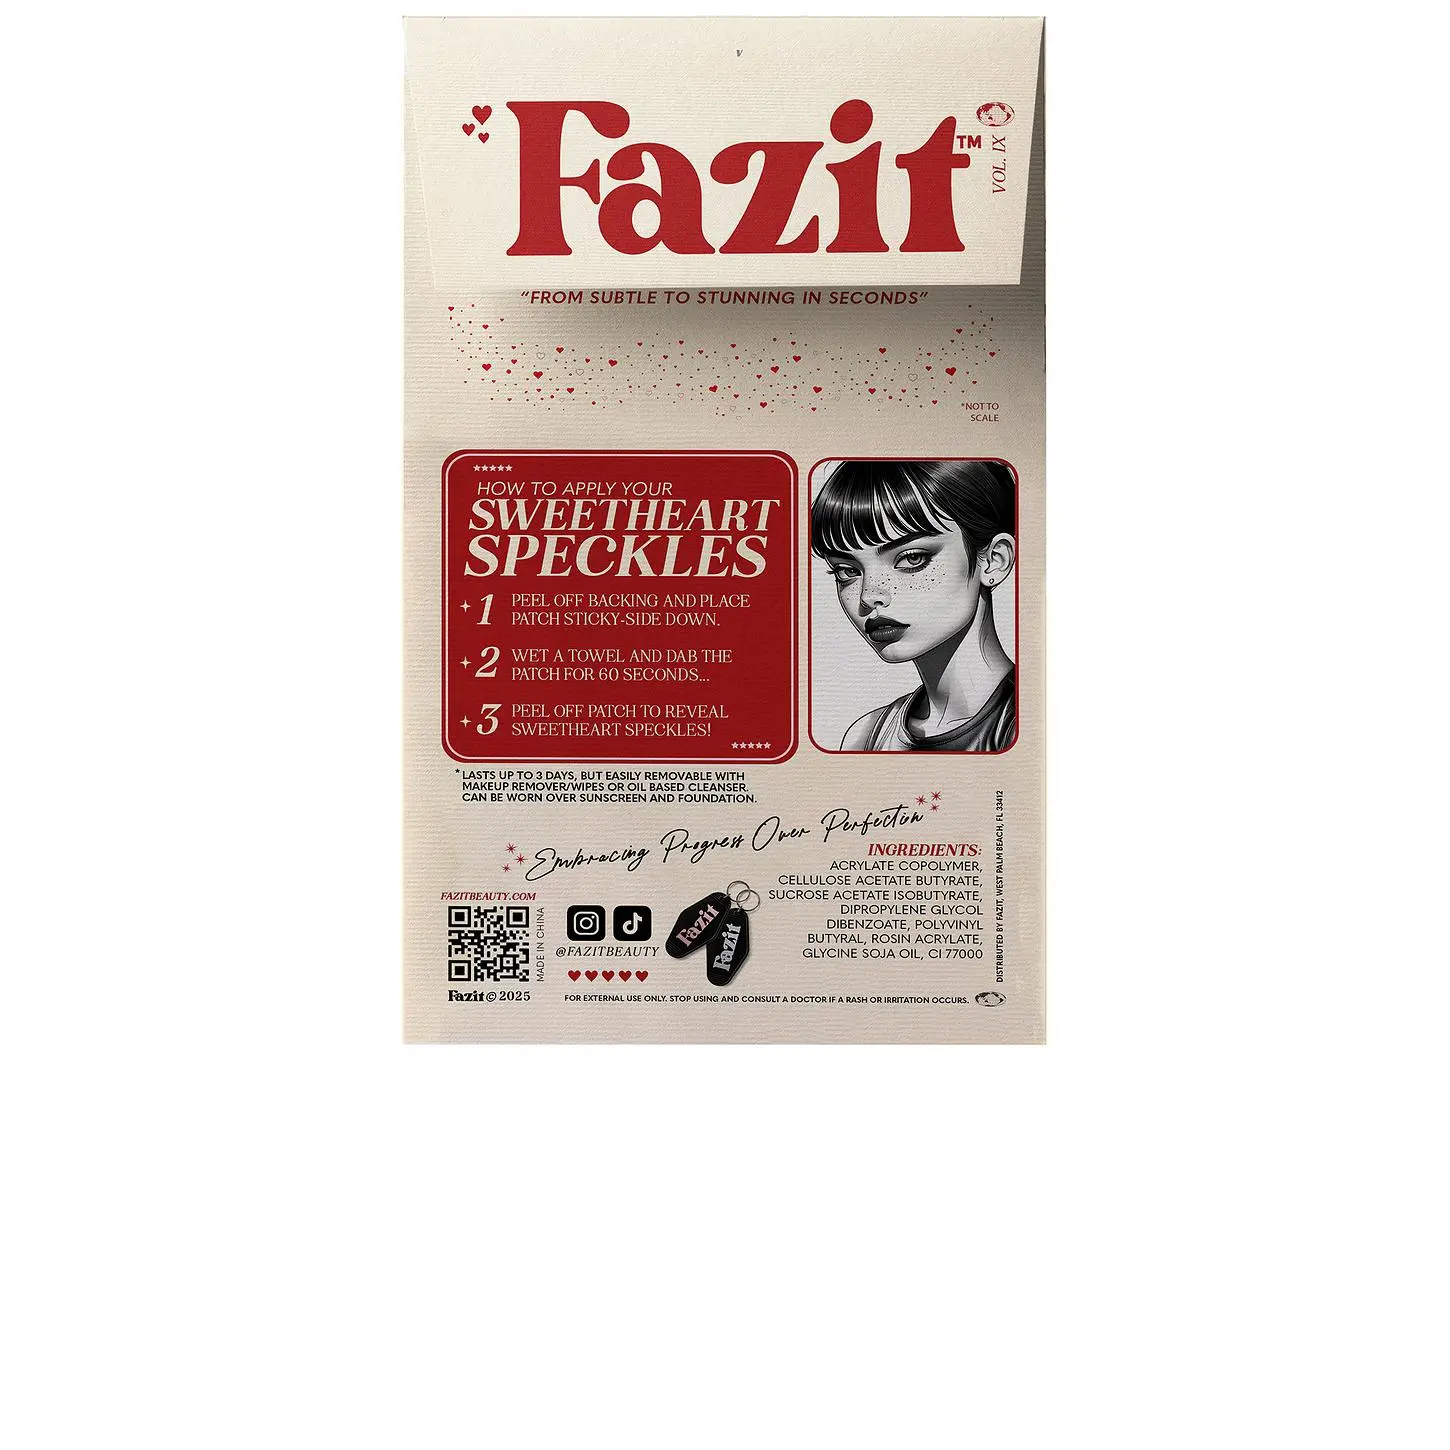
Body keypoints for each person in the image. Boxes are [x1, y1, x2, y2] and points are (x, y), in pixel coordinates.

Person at [810, 459, 1017, 752]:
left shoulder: (1034, 723)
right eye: (847, 571)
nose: (869, 596)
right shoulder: (866, 734)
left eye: (912, 558)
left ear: (995, 561)